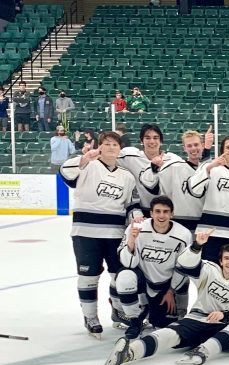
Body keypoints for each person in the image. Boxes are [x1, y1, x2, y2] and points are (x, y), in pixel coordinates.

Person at [104, 230, 229, 365]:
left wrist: (225, 314)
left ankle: (202, 352)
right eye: (226, 258)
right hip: (196, 319)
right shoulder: (210, 270)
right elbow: (185, 263)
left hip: (221, 327)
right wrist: (197, 245)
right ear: (220, 261)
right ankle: (130, 353)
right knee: (168, 334)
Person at [59, 131, 142, 338]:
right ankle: (91, 317)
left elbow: (132, 205)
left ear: (120, 149)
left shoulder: (127, 176)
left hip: (115, 234)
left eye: (115, 144)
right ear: (100, 147)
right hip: (85, 233)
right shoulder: (87, 165)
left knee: (118, 275)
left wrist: (137, 218)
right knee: (89, 277)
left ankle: (117, 309)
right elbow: (65, 173)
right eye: (107, 144)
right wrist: (83, 159)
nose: (111, 147)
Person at [115, 195, 192, 340]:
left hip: (165, 285)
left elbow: (183, 268)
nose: (161, 215)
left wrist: (171, 290)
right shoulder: (136, 228)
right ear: (150, 213)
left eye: (165, 211)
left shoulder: (184, 234)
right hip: (142, 279)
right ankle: (134, 320)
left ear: (172, 214)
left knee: (163, 326)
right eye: (157, 211)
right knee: (125, 276)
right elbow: (128, 264)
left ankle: (150, 309)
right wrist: (132, 240)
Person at [187, 134, 229, 263]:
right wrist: (209, 168)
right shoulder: (211, 168)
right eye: (228, 147)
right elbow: (193, 190)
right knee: (208, 273)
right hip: (210, 233)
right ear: (222, 150)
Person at [139, 127, 214, 232]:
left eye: (196, 145)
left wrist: (207, 151)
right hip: (178, 223)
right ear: (184, 148)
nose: (193, 148)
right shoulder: (174, 167)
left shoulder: (213, 168)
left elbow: (204, 170)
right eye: (189, 145)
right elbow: (150, 186)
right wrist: (153, 167)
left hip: (205, 224)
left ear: (202, 145)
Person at [119, 123, 181, 216]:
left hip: (164, 213)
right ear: (141, 140)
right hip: (139, 212)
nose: (152, 141)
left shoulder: (173, 160)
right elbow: (109, 157)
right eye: (147, 138)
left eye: (155, 138)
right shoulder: (130, 156)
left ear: (161, 141)